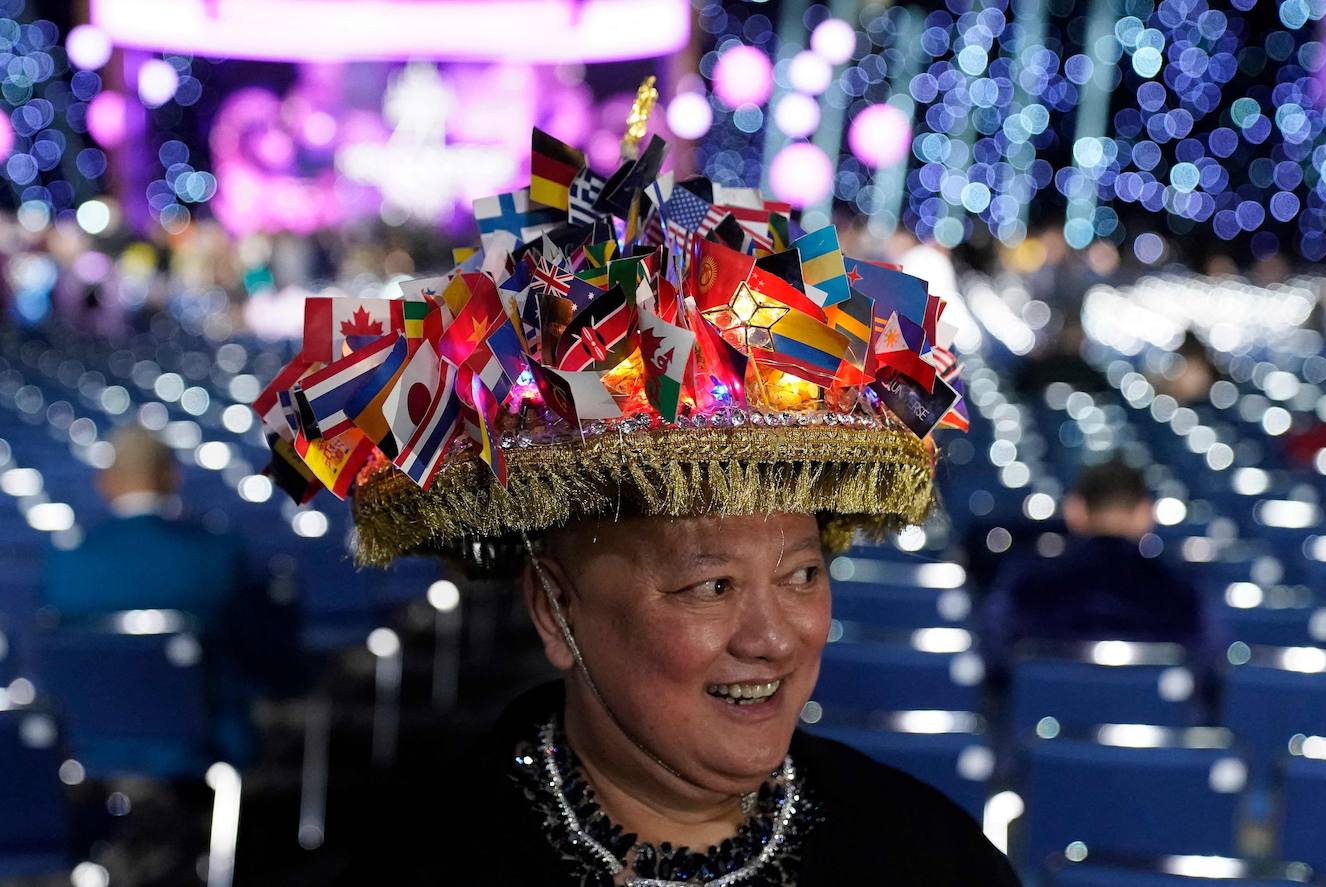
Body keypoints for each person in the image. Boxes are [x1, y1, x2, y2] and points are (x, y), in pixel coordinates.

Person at [277, 116, 1020, 882]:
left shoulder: (929, 855)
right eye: (712, 585)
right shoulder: (425, 863)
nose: (772, 637)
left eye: (803, 574)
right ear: (554, 610)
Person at [43, 426, 271, 765]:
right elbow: (253, 649)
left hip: (88, 745)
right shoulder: (215, 555)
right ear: (173, 477)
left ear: (104, 481)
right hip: (205, 742)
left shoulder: (65, 565)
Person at [980, 459, 1216, 677]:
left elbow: (994, 660)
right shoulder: (1183, 593)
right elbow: (1210, 668)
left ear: (1076, 510)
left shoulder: (1025, 586)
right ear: (1145, 513)